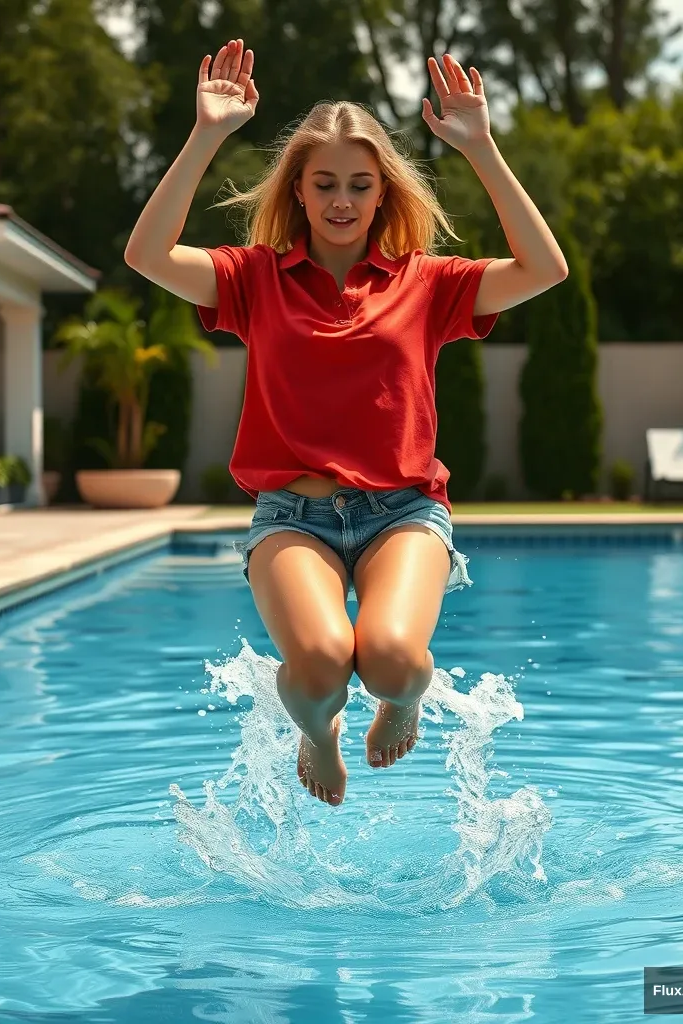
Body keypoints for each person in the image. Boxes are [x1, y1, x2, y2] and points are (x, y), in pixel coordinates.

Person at [125, 39, 567, 807]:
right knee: (324, 663)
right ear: (297, 189)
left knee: (395, 658)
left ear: (381, 194)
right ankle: (319, 730)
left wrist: (483, 147)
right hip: (292, 517)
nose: (341, 200)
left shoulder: (426, 284)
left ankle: (401, 701)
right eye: (324, 183)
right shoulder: (253, 278)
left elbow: (545, 270)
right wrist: (206, 133)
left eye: (360, 185)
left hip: (404, 512)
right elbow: (145, 253)